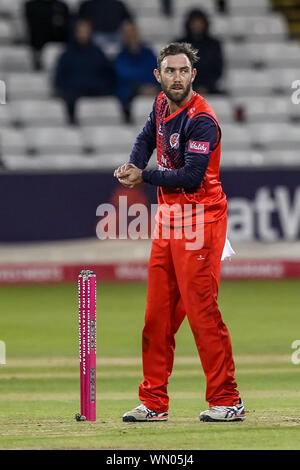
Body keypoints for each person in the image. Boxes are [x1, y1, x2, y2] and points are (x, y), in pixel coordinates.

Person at [114, 42, 245, 423]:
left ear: (193, 75)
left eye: (182, 71)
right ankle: (154, 402)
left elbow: (190, 176)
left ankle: (227, 400)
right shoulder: (159, 105)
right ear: (158, 75)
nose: (176, 77)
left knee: (203, 313)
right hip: (168, 221)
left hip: (201, 220)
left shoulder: (202, 118)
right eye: (169, 71)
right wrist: (133, 164)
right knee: (157, 316)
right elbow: (145, 139)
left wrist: (145, 175)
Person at [53, 19, 115, 124]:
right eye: (81, 31)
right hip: (74, 99)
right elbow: (59, 80)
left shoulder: (98, 53)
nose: (83, 34)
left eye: (86, 30)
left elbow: (109, 76)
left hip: (98, 96)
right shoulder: (67, 55)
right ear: (76, 32)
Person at [115, 20, 160, 123]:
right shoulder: (120, 56)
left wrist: (152, 87)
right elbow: (124, 76)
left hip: (153, 91)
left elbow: (155, 72)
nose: (131, 35)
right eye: (127, 32)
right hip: (129, 98)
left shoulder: (149, 53)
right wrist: (140, 88)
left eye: (133, 31)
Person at [176, 8, 224, 95]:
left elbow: (217, 69)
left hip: (209, 88)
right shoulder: (179, 45)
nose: (197, 26)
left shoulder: (214, 45)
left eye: (199, 22)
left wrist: (206, 86)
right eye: (194, 23)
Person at [24, 0, 71, 70]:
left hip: (59, 42)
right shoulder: (31, 6)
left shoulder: (62, 6)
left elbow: (67, 30)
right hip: (39, 45)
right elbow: (32, 29)